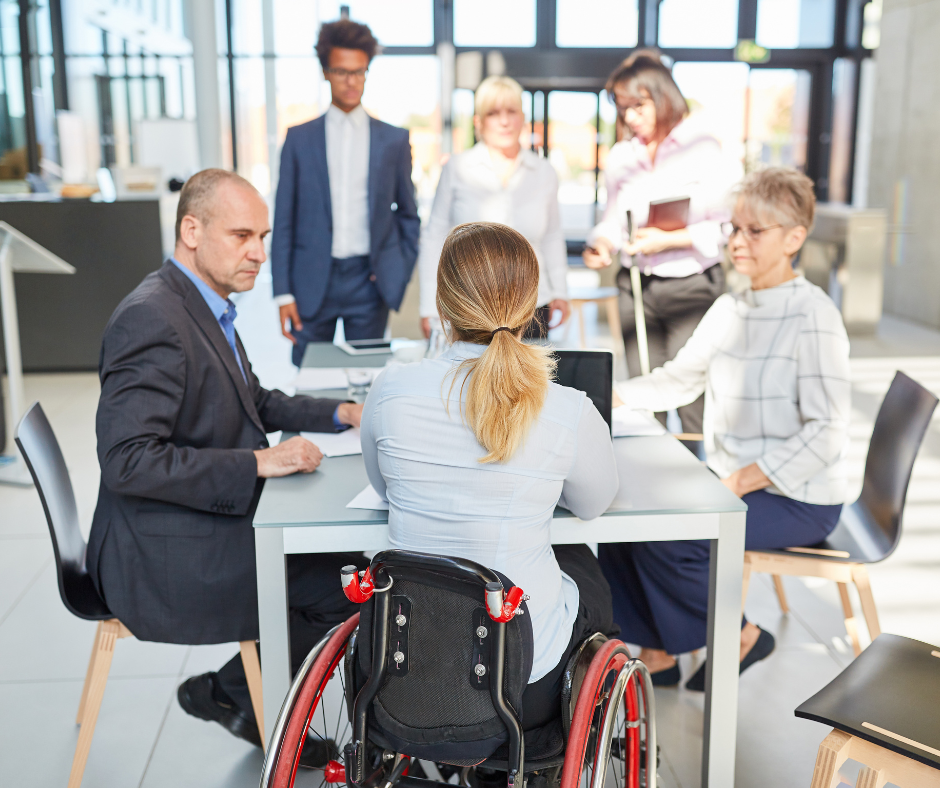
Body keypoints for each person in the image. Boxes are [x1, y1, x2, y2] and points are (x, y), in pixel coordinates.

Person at [87, 169, 364, 761]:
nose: (259, 254)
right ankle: (233, 692)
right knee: (349, 583)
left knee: (336, 563)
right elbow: (128, 461)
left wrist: (341, 412)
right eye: (242, 236)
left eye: (262, 237)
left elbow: (254, 400)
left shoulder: (200, 302)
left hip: (179, 525)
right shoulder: (154, 319)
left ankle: (244, 696)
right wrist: (257, 463)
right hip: (157, 554)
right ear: (192, 229)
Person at [599, 167, 851, 690]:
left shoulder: (815, 316)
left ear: (794, 238)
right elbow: (679, 380)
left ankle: (741, 635)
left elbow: (826, 432)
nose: (737, 241)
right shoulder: (731, 306)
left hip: (797, 494)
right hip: (735, 477)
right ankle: (659, 655)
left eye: (753, 231)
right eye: (734, 229)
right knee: (625, 525)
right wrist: (613, 393)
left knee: (674, 539)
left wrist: (736, 482)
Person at [361, 222, 619, 727]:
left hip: (402, 661)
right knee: (591, 575)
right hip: (524, 677)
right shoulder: (566, 408)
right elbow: (594, 504)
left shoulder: (390, 389)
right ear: (532, 307)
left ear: (441, 305)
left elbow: (381, 488)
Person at [583, 50, 741, 433]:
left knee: (692, 396)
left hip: (692, 287)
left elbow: (726, 224)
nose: (631, 118)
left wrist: (671, 239)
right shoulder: (621, 156)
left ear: (663, 95)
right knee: (641, 397)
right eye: (624, 110)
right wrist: (602, 243)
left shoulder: (702, 146)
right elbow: (613, 219)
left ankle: (692, 481)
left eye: (639, 106)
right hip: (637, 287)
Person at [272, 18, 420, 365]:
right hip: (310, 281)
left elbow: (409, 215)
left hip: (369, 283)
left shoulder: (393, 140)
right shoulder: (298, 139)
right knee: (309, 382)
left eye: (359, 72)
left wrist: (396, 270)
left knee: (365, 381)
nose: (351, 81)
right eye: (341, 71)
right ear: (325, 72)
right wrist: (283, 293)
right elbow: (284, 219)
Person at [418, 76, 569, 341]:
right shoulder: (456, 169)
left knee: (528, 381)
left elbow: (552, 236)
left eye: (511, 112)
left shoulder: (544, 173)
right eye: (493, 113)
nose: (504, 121)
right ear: (478, 122)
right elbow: (434, 238)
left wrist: (561, 291)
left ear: (523, 118)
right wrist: (429, 306)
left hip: (532, 306)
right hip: (470, 306)